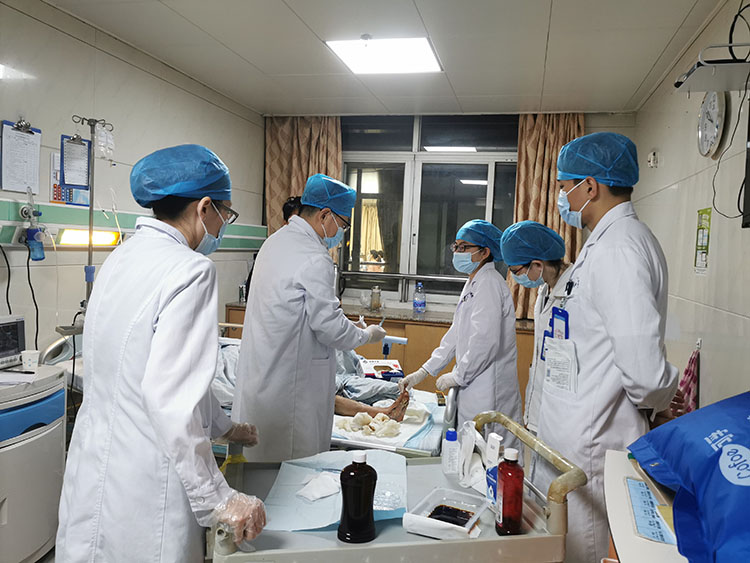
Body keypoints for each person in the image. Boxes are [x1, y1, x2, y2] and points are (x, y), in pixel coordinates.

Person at [56, 145, 266, 562]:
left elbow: (167, 373)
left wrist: (225, 427)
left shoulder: (120, 257)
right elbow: (172, 397)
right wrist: (219, 499)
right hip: (149, 477)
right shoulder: (191, 271)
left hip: (95, 463)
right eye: (225, 213)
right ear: (204, 207)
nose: (223, 225)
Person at [535, 132, 679, 563]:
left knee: (588, 547)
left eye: (565, 188)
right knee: (568, 545)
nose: (562, 198)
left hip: (594, 444)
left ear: (590, 187)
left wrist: (660, 402)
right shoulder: (603, 245)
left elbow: (645, 374)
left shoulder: (620, 249)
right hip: (579, 434)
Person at [233, 173, 387, 462]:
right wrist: (366, 335)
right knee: (292, 473)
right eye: (343, 224)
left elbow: (301, 313)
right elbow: (331, 329)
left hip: (264, 379)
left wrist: (346, 324)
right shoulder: (314, 257)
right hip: (291, 391)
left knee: (260, 471)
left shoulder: (274, 243)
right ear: (325, 215)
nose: (342, 232)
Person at [399, 219, 521, 445]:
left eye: (464, 247)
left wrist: (458, 375)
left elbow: (485, 341)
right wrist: (425, 370)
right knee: (470, 448)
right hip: (473, 382)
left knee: (490, 452)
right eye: (456, 246)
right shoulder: (474, 281)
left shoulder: (489, 283)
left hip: (489, 387)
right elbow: (456, 334)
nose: (457, 252)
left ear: (484, 252)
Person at [500, 220, 569, 436]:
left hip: (565, 411)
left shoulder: (575, 295)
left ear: (537, 265)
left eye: (516, 271)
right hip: (542, 401)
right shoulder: (544, 291)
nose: (515, 277)